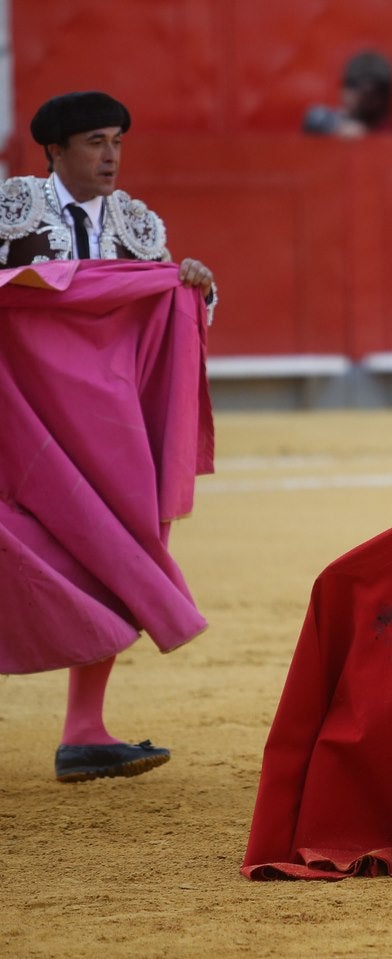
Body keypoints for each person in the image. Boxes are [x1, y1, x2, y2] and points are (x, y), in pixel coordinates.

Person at [0, 91, 217, 782]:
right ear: (54, 152)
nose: (110, 155)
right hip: (21, 422)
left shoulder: (138, 226)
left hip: (104, 430)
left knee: (116, 546)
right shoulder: (13, 212)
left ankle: (84, 728)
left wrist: (194, 290)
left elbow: (166, 327)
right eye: (95, 142)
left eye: (117, 141)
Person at [302, 50, 392, 138]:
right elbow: (315, 117)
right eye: (365, 94)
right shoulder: (326, 118)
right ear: (346, 91)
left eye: (377, 94)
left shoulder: (388, 128)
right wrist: (338, 128)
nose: (370, 102)